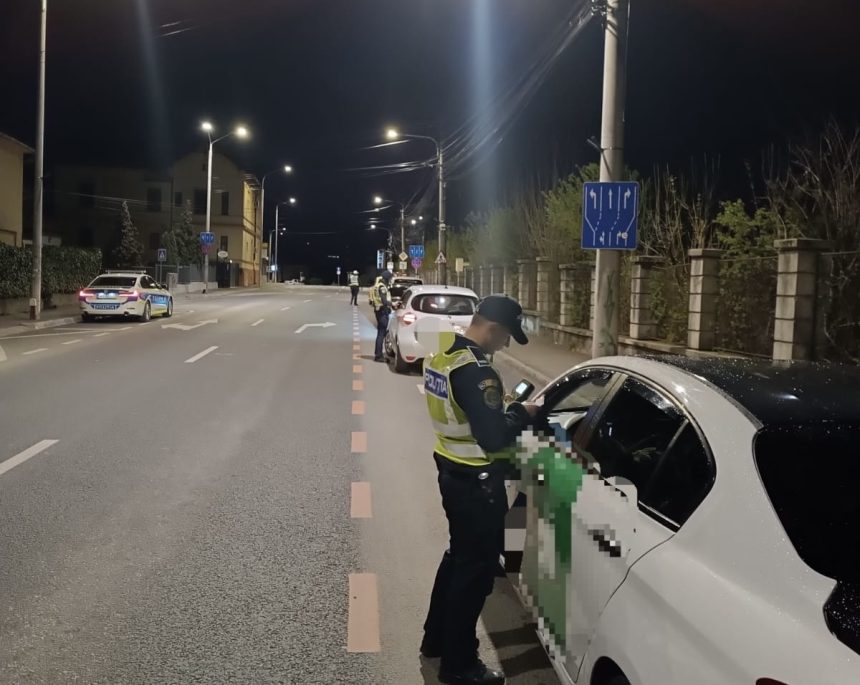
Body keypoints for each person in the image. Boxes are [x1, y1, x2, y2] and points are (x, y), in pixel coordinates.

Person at [420, 294, 539, 685]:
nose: (506, 345)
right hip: (477, 483)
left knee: (457, 561)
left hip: (452, 472)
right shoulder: (477, 371)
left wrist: (500, 408)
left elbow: (465, 412)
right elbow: (492, 437)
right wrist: (522, 413)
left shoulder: (445, 354)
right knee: (474, 575)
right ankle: (460, 666)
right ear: (493, 328)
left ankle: (435, 641)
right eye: (506, 337)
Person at [370, 270, 393, 362]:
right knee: (381, 334)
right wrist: (393, 304)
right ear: (387, 278)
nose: (391, 280)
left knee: (381, 333)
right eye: (390, 278)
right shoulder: (382, 287)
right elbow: (384, 301)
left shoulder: (378, 285)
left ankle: (378, 354)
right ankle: (379, 355)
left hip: (379, 311)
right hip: (382, 312)